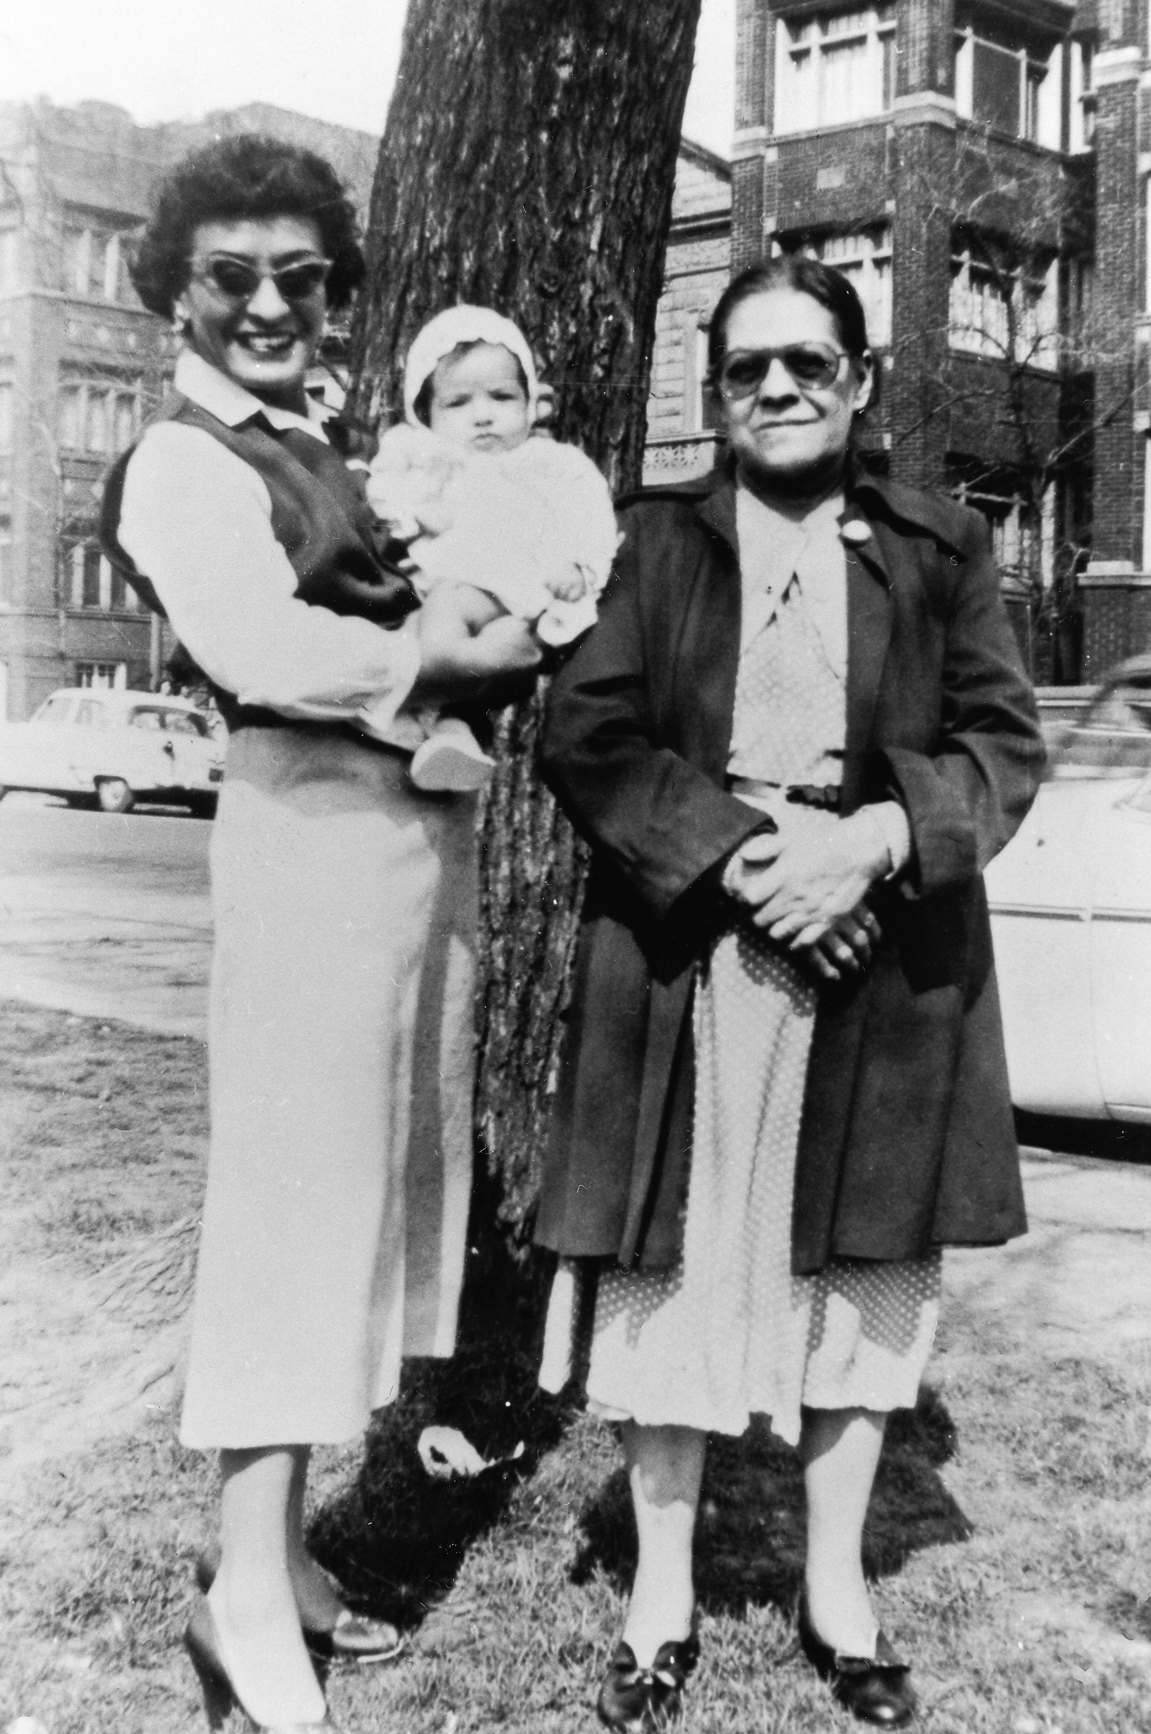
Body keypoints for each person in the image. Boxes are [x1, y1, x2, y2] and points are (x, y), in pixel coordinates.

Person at [534, 256, 1044, 1730]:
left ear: (858, 379)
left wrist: (877, 841)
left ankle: (836, 1588)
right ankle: (660, 1594)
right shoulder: (650, 544)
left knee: (865, 1271)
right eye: (747, 367)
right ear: (712, 392)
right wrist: (757, 864)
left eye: (807, 364)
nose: (776, 388)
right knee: (675, 1271)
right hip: (690, 949)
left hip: (880, 961)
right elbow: (590, 733)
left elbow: (998, 742)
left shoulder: (938, 543)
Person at [99, 134, 541, 1734]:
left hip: (406, 858)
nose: (270, 302)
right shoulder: (181, 459)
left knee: (355, 1207)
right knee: (291, 1218)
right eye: (233, 275)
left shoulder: (323, 444)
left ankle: (280, 1560)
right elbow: (257, 642)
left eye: (302, 275)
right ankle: (236, 1590)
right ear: (177, 293)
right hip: (305, 850)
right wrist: (436, 649)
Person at [361, 304, 617, 791]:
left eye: (501, 397)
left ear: (529, 403)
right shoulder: (429, 459)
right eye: (458, 404)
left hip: (520, 587)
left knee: (445, 613)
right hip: (454, 582)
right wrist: (403, 519)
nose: (482, 417)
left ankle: (419, 713)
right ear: (425, 415)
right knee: (417, 625)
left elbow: (589, 513)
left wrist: (579, 566)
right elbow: (389, 497)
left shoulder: (551, 463)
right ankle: (450, 732)